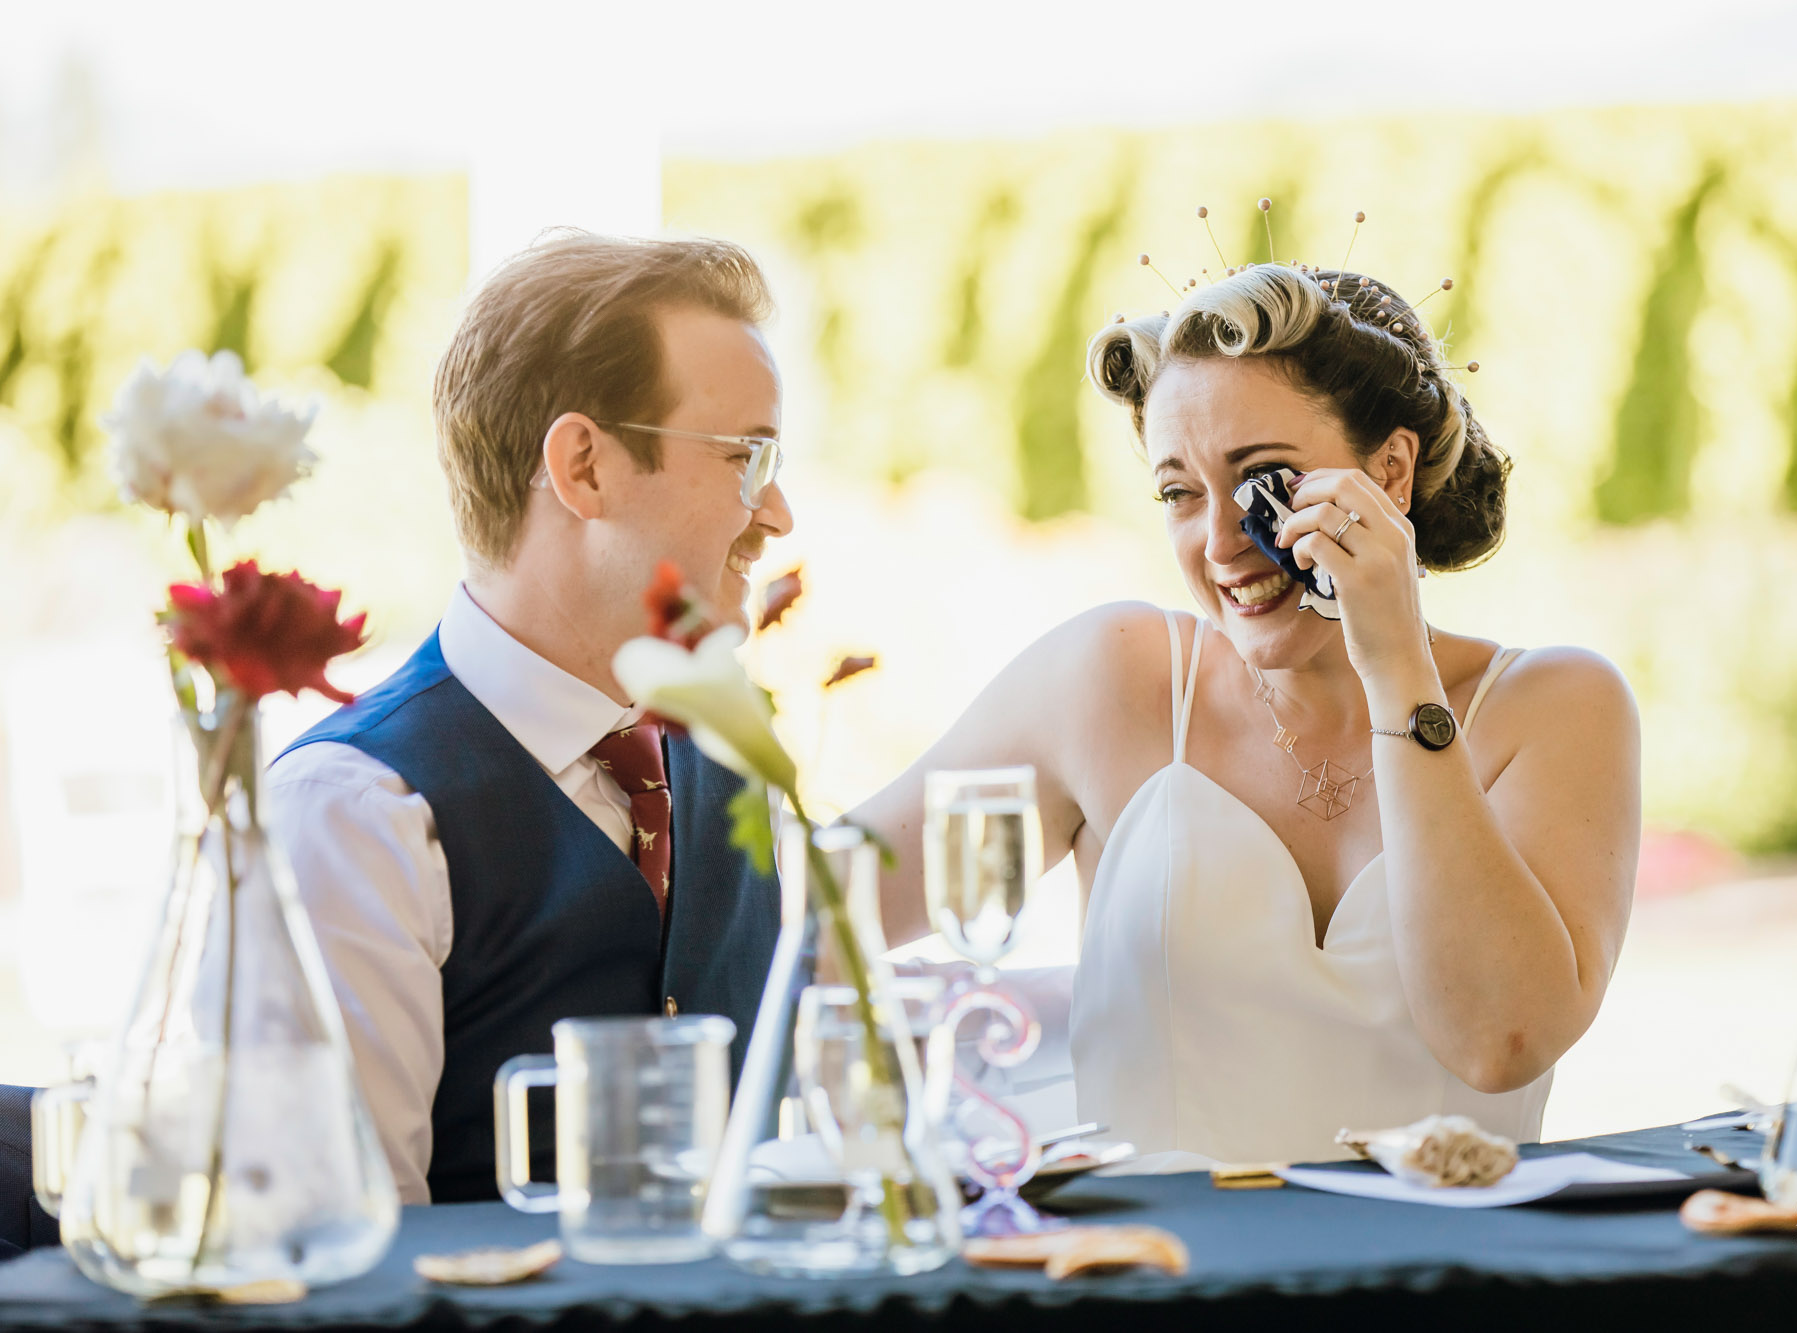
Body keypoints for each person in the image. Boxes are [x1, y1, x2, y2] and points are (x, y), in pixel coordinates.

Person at [851, 262, 1640, 1165]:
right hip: (1157, 1286)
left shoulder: (1558, 708)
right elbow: (817, 921)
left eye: (1264, 482)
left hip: (1441, 1290)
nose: (1221, 543)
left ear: (1390, 470)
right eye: (1179, 492)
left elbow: (1499, 1040)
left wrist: (1397, 671)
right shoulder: (1116, 680)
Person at [269, 233, 794, 1203]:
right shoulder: (352, 810)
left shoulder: (728, 755)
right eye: (745, 458)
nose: (779, 514)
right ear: (584, 465)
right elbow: (348, 1256)